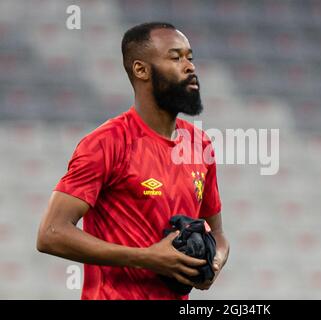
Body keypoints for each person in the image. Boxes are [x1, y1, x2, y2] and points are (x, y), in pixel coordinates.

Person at [36, 22, 229, 300]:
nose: (190, 67)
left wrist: (214, 261)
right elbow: (51, 233)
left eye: (190, 57)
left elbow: (218, 233)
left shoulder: (201, 144)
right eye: (175, 58)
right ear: (141, 70)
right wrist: (147, 258)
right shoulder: (106, 143)